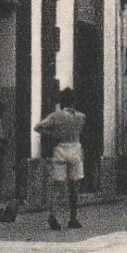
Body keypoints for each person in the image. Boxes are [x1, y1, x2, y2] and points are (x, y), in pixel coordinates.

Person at [35, 88, 87, 231]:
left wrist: (51, 134)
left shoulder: (55, 116)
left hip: (60, 150)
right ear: (74, 101)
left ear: (61, 102)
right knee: (74, 186)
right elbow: (80, 131)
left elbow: (38, 127)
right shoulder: (81, 117)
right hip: (75, 149)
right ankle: (73, 218)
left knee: (57, 186)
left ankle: (53, 215)